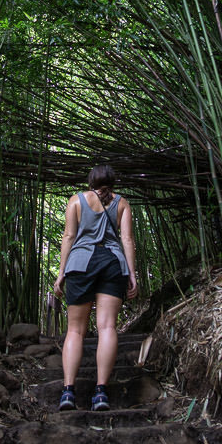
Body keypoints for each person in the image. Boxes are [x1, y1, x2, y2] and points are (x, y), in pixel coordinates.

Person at [53, 164, 138, 411]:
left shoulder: (77, 201)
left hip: (81, 264)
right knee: (107, 327)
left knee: (75, 331)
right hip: (113, 263)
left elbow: (69, 237)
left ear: (90, 182)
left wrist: (61, 275)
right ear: (112, 182)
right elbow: (127, 239)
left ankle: (68, 392)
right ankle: (101, 393)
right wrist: (132, 274)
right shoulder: (122, 203)